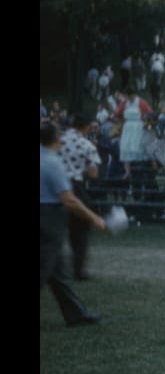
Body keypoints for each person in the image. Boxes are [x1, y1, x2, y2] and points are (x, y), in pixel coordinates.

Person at [41, 122, 107, 326]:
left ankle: (76, 313)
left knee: (58, 271)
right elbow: (68, 199)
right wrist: (93, 217)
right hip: (48, 217)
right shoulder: (53, 162)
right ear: (56, 139)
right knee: (44, 267)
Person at [59, 114, 103, 280]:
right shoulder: (87, 145)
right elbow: (93, 173)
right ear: (87, 127)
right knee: (81, 230)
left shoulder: (58, 140)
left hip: (54, 186)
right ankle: (78, 269)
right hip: (75, 186)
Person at [115, 88, 152, 180]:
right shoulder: (124, 103)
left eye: (131, 95)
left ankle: (139, 168)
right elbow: (118, 113)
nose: (130, 97)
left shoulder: (141, 102)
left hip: (138, 126)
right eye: (128, 95)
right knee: (125, 147)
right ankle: (127, 171)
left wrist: (146, 122)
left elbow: (149, 112)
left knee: (137, 146)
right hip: (128, 126)